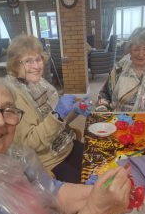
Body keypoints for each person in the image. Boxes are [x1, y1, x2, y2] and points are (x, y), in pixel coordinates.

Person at [0, 71, 131, 214]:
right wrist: (97, 212)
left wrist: (102, 193)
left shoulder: (10, 156)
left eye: (8, 110)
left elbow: (52, 193)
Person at [6, 34, 92, 183]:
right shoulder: (13, 96)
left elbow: (59, 122)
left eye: (38, 59)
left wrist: (74, 111)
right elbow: (30, 144)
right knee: (90, 190)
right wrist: (57, 115)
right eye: (28, 61)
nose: (36, 66)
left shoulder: (40, 83)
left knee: (101, 164)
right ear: (15, 65)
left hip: (67, 145)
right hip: (49, 162)